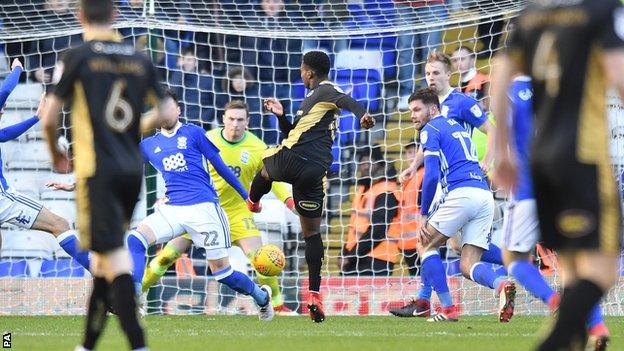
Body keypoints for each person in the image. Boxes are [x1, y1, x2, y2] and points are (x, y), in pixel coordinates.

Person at [40, 1, 179, 350]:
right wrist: (131, 129)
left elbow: (49, 115)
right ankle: (86, 346)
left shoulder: (78, 56)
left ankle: (138, 343)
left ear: (80, 16)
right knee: (103, 261)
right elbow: (165, 112)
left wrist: (56, 152)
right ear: (115, 16)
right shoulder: (139, 58)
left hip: (97, 170)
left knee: (113, 259)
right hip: (131, 170)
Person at [491, 1, 624, 345]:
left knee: (568, 264)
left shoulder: (529, 16)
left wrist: (499, 150)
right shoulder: (599, 11)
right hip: (583, 157)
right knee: (601, 267)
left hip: (537, 163)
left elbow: (500, 76)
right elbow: (619, 76)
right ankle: (561, 335)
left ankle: (575, 334)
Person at [247, 50, 375, 322]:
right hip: (315, 172)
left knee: (265, 167)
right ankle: (315, 294)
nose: (300, 74)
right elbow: (295, 133)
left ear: (309, 72)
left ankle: (252, 202)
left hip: (295, 159)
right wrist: (282, 117)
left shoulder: (327, 90)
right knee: (312, 233)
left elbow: (347, 101)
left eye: (301, 69)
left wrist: (362, 114)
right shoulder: (311, 101)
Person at [140, 98, 297, 315]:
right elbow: (180, 169)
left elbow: (273, 179)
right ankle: (136, 296)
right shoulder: (207, 137)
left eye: (240, 119)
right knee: (166, 256)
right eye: (231, 119)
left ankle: (278, 307)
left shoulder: (257, 147)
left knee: (260, 258)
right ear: (223, 119)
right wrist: (169, 197)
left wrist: (289, 202)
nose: (235, 124)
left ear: (248, 122)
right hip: (198, 209)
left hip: (236, 212)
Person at [495, 75, 610, 350]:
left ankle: (555, 302)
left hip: (528, 189)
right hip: (568, 186)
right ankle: (597, 325)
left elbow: (504, 138)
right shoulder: (565, 84)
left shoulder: (511, 89)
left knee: (512, 257)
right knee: (573, 265)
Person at [409, 88, 514, 322]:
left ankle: (447, 309)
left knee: (425, 245)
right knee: (468, 264)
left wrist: (424, 214)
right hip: (483, 194)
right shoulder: (457, 127)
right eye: (411, 111)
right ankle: (501, 285)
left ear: (433, 109)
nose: (413, 115)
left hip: (462, 193)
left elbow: (432, 176)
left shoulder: (430, 129)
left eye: (417, 109)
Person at [0, 59, 90, 272]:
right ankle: (107, 283)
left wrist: (35, 118)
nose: (3, 109)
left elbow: (4, 134)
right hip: (3, 200)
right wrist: (18, 69)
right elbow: (5, 90)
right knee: (60, 224)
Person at [400, 50, 493, 182]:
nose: (431, 77)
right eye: (428, 73)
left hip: (462, 174)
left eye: (436, 73)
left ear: (448, 75)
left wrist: (486, 162)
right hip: (441, 176)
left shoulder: (461, 101)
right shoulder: (428, 106)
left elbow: (492, 131)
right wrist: (414, 166)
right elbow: (427, 141)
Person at [341, 145, 400, 276]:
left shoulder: (386, 191)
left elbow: (378, 231)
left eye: (369, 161)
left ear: (379, 164)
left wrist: (350, 256)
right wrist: (344, 253)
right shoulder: (363, 189)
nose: (365, 166)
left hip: (377, 260)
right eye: (362, 162)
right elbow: (353, 228)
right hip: (357, 259)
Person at [451, 46, 490, 111]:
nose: (458, 63)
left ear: (472, 61)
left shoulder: (485, 81)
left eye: (462, 59)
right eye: (454, 60)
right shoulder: (457, 89)